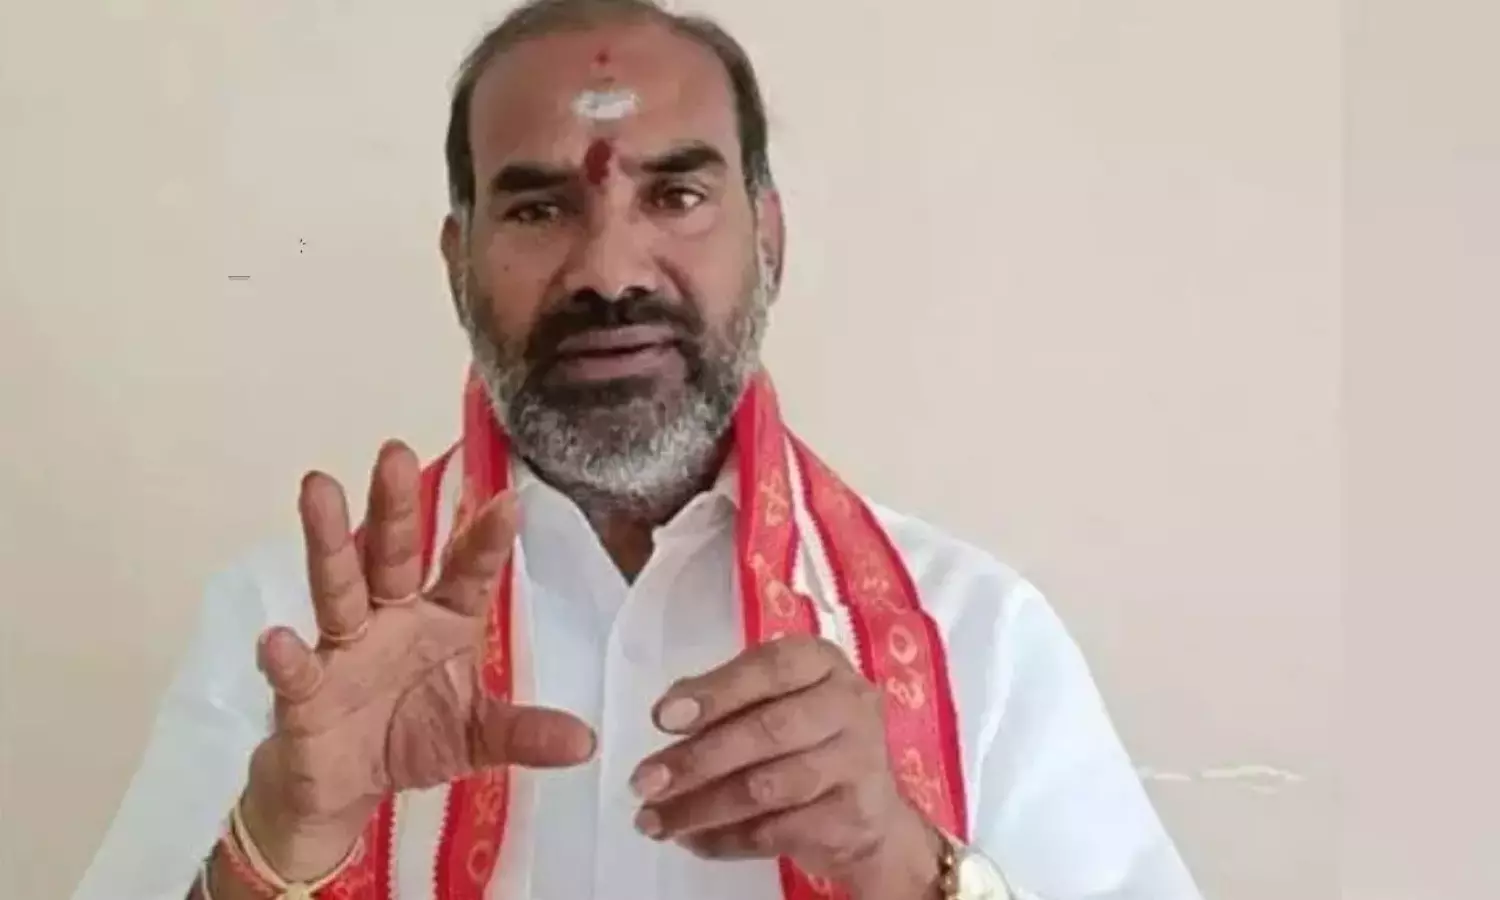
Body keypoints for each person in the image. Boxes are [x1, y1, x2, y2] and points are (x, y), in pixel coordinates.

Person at [72, 2, 1202, 898]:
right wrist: (280, 846)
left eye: (677, 194)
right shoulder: (288, 637)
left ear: (769, 240)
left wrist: (904, 863)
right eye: (538, 209)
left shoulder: (974, 637)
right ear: (457, 261)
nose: (611, 272)